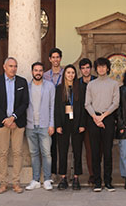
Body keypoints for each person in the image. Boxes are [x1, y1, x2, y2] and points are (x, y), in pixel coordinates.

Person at [0, 57, 29, 194]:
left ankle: (16, 183)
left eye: (15, 66)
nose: (13, 68)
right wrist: (5, 119)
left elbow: (25, 103)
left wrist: (13, 118)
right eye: (11, 66)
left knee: (18, 153)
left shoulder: (22, 82)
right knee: (3, 153)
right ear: (4, 67)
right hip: (2, 124)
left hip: (17, 123)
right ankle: (3, 183)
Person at [84, 57, 119, 191]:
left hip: (108, 118)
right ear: (96, 68)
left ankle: (108, 181)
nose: (101, 69)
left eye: (104, 66)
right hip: (93, 119)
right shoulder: (91, 85)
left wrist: (103, 117)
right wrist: (95, 117)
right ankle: (97, 181)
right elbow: (87, 103)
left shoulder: (114, 84)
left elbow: (115, 103)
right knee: (95, 152)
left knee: (108, 152)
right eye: (99, 67)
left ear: (108, 68)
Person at [26, 62, 56, 191]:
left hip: (45, 125)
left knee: (47, 154)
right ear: (32, 72)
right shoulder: (26, 87)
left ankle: (47, 179)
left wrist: (51, 124)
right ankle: (36, 179)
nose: (38, 72)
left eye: (40, 70)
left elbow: (52, 106)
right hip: (30, 125)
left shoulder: (49, 86)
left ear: (43, 72)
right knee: (34, 153)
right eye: (35, 70)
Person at [55, 64, 85, 190]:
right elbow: (56, 108)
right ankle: (63, 177)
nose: (70, 75)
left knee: (77, 151)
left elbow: (84, 107)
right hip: (63, 123)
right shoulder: (59, 88)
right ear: (64, 74)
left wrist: (82, 124)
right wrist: (57, 125)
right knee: (62, 151)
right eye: (68, 72)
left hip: (77, 123)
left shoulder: (81, 88)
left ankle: (76, 177)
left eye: (73, 73)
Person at [44, 48, 64, 179]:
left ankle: (63, 172)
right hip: (49, 111)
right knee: (50, 145)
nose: (56, 59)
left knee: (62, 145)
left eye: (58, 57)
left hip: (62, 111)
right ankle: (51, 172)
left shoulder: (66, 73)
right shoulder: (45, 75)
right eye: (53, 57)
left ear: (60, 59)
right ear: (50, 59)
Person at [78, 58, 96, 185]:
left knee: (98, 148)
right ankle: (92, 174)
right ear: (80, 70)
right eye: (83, 68)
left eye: (88, 67)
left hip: (96, 118)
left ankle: (98, 171)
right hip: (82, 121)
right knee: (89, 149)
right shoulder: (77, 83)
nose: (86, 70)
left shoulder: (96, 81)